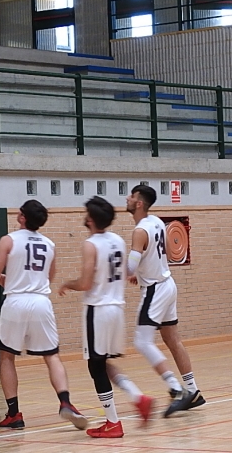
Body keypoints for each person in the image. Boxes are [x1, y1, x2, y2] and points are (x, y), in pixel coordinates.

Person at [0, 200, 88, 431]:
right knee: (52, 356)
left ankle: (14, 414)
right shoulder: (50, 244)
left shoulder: (8, 240)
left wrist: (6, 279)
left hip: (15, 301)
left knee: (6, 357)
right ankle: (65, 402)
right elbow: (49, 278)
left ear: (23, 217)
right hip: (41, 301)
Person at [58, 197, 154, 438]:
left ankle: (113, 422)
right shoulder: (118, 240)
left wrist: (68, 284)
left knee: (95, 366)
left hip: (98, 310)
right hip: (117, 309)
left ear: (90, 219)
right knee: (103, 363)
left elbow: (85, 283)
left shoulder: (91, 244)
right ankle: (137, 397)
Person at [125, 184, 201, 417]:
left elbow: (130, 267)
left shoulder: (140, 231)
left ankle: (177, 389)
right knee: (172, 339)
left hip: (155, 290)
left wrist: (121, 271)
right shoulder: (157, 222)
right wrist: (143, 271)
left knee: (142, 342)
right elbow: (166, 251)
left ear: (139, 203)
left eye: (131, 196)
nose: (127, 198)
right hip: (168, 283)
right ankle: (193, 390)